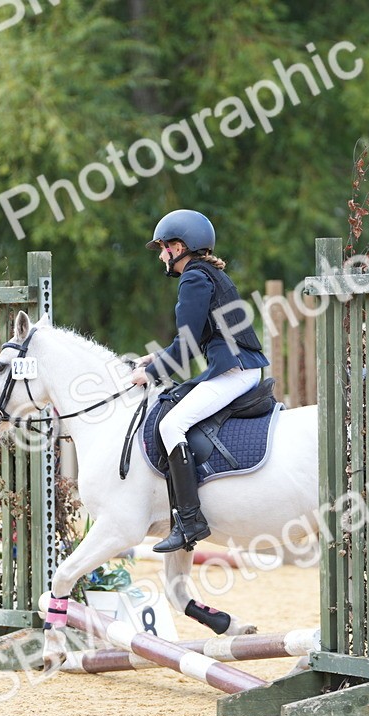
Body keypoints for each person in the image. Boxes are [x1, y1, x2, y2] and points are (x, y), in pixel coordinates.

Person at [129, 209, 269, 553]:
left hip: (234, 370)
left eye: (163, 247)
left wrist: (149, 374)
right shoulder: (209, 274)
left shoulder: (193, 278)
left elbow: (189, 343)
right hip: (241, 365)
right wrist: (157, 356)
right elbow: (198, 335)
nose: (161, 255)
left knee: (171, 425)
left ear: (178, 246)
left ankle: (190, 521)